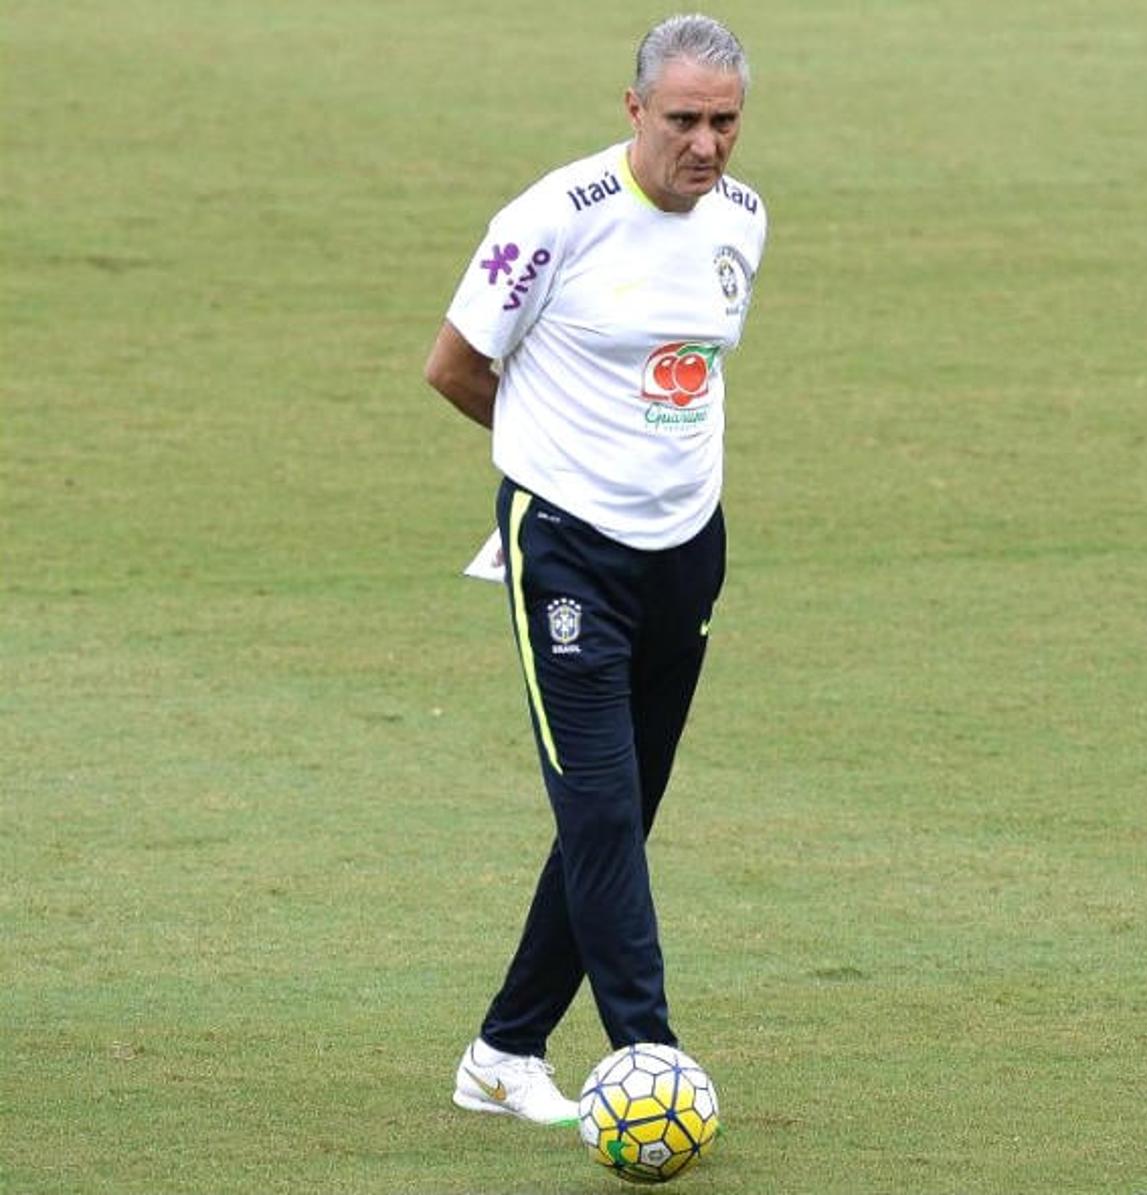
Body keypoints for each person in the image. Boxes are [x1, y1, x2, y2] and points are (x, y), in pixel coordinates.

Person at [422, 13, 766, 1126]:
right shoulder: (554, 220)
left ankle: (503, 1050)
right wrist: (553, 462)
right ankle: (649, 1062)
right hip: (568, 548)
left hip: (688, 551)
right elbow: (457, 365)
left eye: (723, 122)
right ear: (634, 112)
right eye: (683, 120)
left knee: (617, 814)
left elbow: (696, 375)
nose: (705, 145)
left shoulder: (745, 223)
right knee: (604, 811)